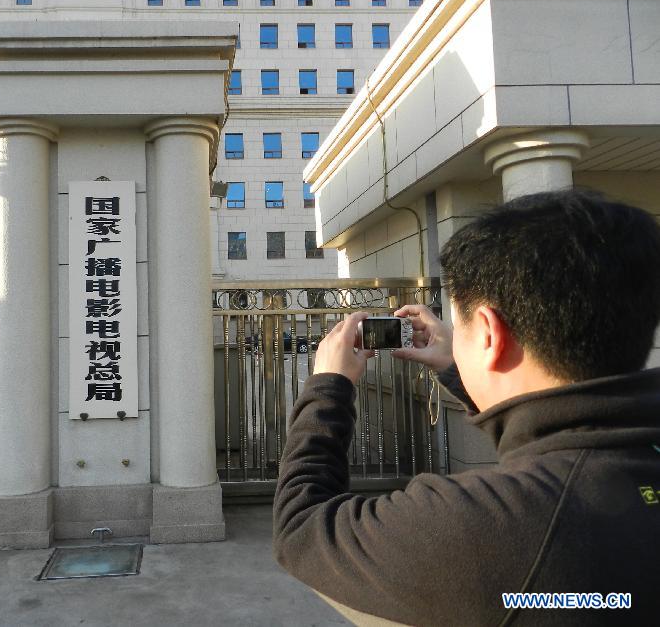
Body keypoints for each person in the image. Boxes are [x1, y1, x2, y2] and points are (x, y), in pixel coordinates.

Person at [273, 190, 660, 625]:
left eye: (463, 326)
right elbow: (555, 437)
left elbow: (302, 531)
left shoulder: (488, 525)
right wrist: (461, 366)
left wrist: (329, 385)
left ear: (490, 334)